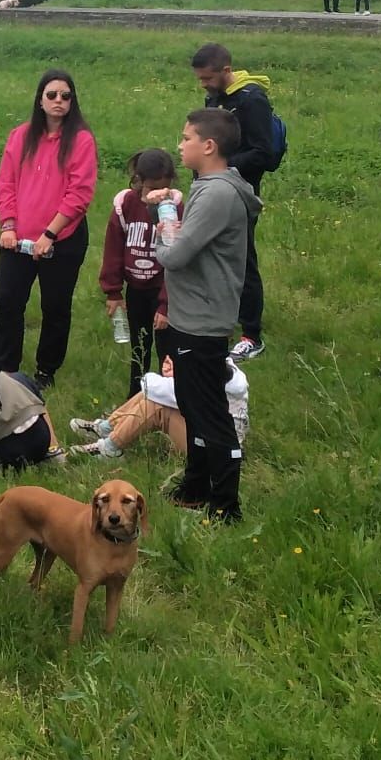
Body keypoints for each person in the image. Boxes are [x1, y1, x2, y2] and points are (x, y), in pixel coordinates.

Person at [148, 109, 261, 522]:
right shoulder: (209, 186)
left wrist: (162, 227)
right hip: (189, 314)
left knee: (210, 411)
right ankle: (194, 486)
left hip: (203, 320)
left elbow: (176, 255)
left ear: (208, 146)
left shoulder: (216, 193)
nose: (180, 145)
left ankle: (226, 505)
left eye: (186, 138)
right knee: (191, 405)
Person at [0, 69, 97, 390]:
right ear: (40, 100)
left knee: (55, 306)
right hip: (17, 238)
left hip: (61, 239)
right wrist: (8, 225)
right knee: (7, 300)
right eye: (52, 95)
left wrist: (50, 234)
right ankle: (6, 367)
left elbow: (79, 194)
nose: (59, 102)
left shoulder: (81, 140)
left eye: (66, 96)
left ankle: (46, 370)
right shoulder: (20, 136)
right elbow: (6, 183)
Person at [190, 43, 277, 362]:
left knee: (241, 260)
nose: (204, 85)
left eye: (208, 78)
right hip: (209, 188)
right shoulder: (215, 98)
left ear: (226, 71)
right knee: (209, 255)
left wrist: (221, 168)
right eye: (200, 79)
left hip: (239, 193)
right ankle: (217, 321)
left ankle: (251, 335)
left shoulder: (251, 100)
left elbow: (263, 153)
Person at [99, 148, 179, 398]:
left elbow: (177, 261)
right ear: (139, 180)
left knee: (167, 352)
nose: (157, 195)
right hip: (136, 291)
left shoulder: (176, 208)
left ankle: (168, 401)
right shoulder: (125, 206)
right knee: (139, 349)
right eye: (151, 189)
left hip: (163, 290)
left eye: (163, 190)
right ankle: (136, 400)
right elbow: (113, 249)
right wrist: (113, 292)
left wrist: (166, 305)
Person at [67, 355, 249, 460]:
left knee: (157, 404)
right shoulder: (226, 373)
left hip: (215, 451)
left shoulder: (203, 382)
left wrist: (172, 375)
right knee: (156, 396)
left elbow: (149, 384)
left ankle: (110, 448)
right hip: (217, 439)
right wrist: (176, 374)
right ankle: (108, 428)